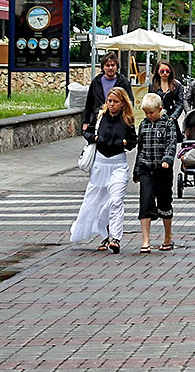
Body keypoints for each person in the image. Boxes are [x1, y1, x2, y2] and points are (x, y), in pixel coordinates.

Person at [71, 87, 137, 252]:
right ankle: (104, 236)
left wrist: (124, 143)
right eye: (110, 101)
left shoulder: (127, 120)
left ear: (122, 103)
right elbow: (87, 133)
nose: (112, 104)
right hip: (100, 164)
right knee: (96, 202)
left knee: (115, 200)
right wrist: (94, 138)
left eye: (116, 102)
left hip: (118, 164)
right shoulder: (100, 116)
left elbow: (133, 141)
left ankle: (115, 237)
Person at [133, 92, 180, 253]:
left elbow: (171, 144)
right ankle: (145, 240)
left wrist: (167, 160)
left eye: (151, 112)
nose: (148, 116)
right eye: (145, 113)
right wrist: (137, 170)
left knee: (164, 203)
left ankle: (167, 236)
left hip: (162, 170)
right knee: (145, 202)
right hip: (146, 168)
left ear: (160, 109)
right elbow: (140, 148)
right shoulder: (144, 125)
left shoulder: (168, 124)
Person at [82, 53, 133, 136]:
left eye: (113, 65)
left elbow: (130, 101)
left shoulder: (123, 81)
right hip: (98, 118)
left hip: (117, 119)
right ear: (103, 67)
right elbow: (89, 102)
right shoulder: (96, 81)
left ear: (116, 66)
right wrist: (86, 121)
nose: (110, 68)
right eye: (107, 65)